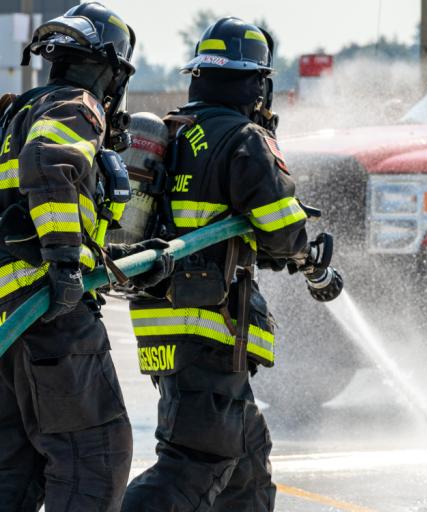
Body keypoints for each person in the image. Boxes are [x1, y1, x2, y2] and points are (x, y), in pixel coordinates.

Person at [123, 17, 341, 511]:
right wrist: (308, 259)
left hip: (165, 324)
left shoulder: (174, 135)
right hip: (208, 327)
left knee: (245, 469)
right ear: (257, 81)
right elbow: (282, 227)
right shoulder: (244, 138)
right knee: (193, 465)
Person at [0, 3, 162, 510]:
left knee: (18, 466)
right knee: (95, 457)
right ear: (110, 69)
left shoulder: (19, 111)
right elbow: (49, 164)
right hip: (51, 309)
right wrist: (65, 262)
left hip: (13, 315)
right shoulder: (76, 105)